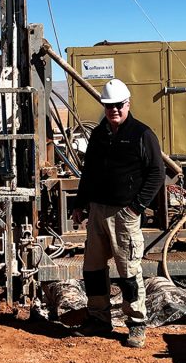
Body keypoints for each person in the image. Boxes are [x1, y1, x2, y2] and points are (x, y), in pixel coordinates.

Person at [69, 79, 165, 348]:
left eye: (118, 105)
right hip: (97, 211)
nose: (113, 110)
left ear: (128, 104)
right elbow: (89, 172)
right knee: (93, 269)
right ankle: (98, 319)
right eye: (109, 105)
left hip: (124, 214)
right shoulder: (99, 135)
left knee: (129, 271)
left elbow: (157, 173)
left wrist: (136, 207)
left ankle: (136, 324)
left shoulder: (142, 134)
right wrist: (80, 203)